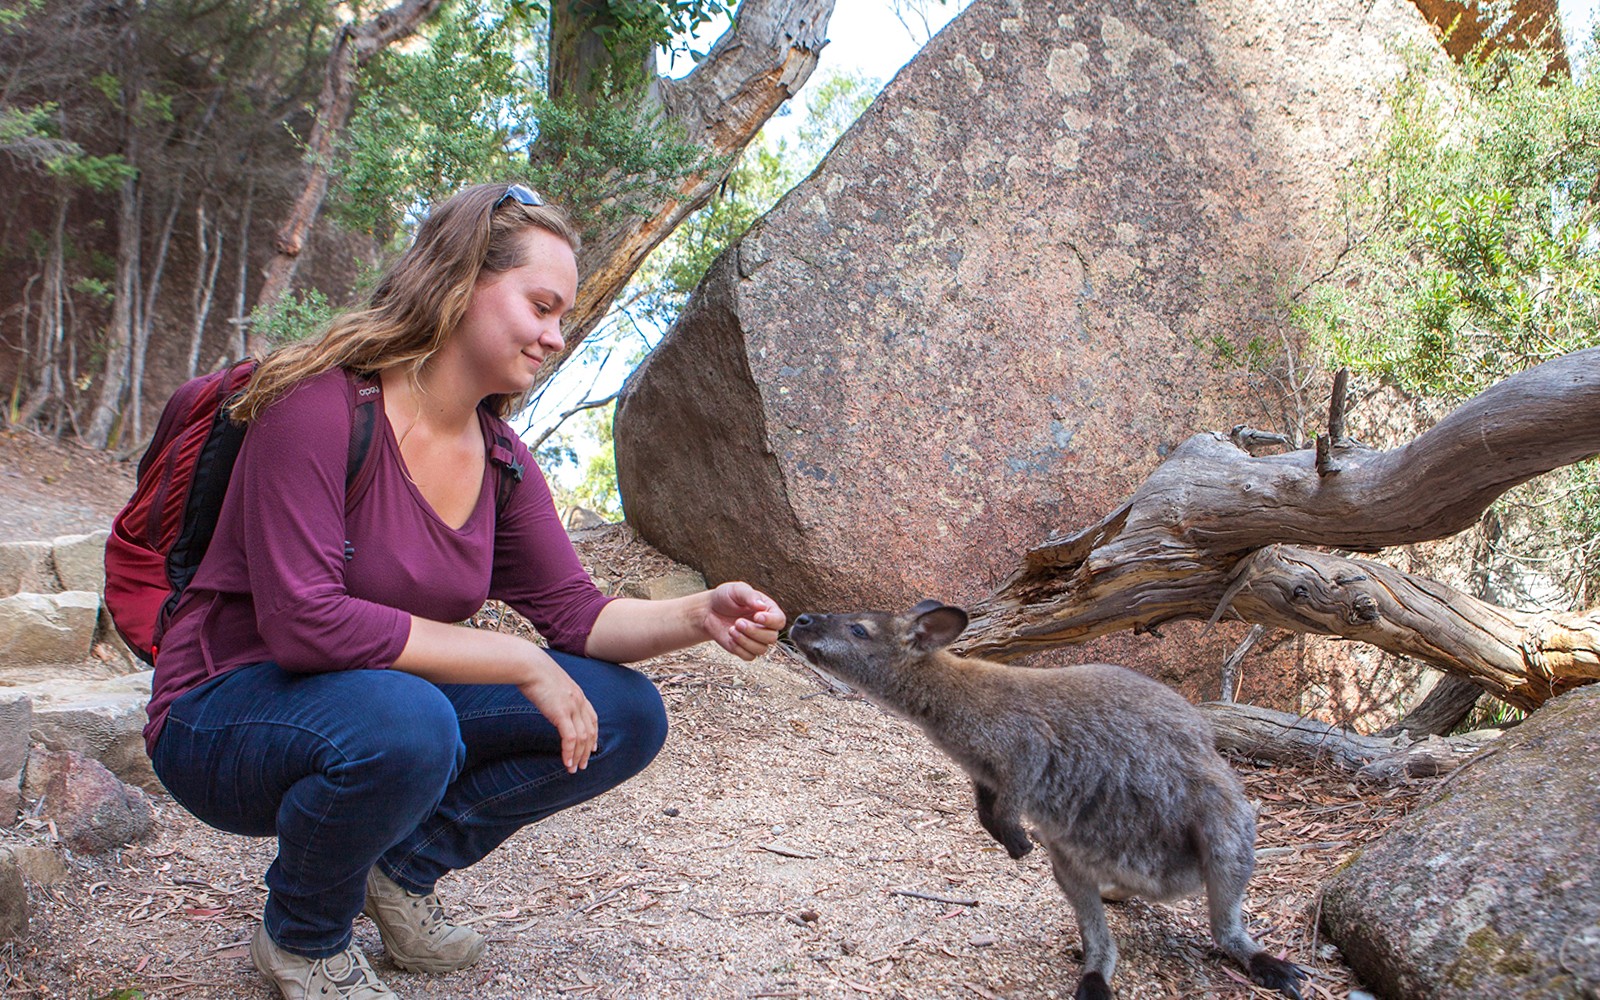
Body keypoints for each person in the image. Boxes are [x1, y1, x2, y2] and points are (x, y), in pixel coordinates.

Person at [141, 182, 787, 1000]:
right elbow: (307, 623)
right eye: (541, 306)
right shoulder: (318, 404)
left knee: (626, 713)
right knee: (410, 721)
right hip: (221, 714)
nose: (556, 337)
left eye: (564, 317)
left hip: (366, 703)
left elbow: (580, 617)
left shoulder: (503, 461)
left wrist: (701, 613)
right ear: (460, 280)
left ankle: (399, 872)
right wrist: (516, 659)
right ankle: (303, 940)